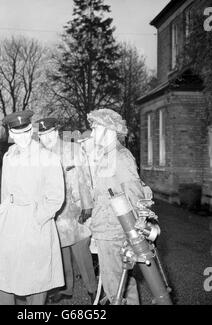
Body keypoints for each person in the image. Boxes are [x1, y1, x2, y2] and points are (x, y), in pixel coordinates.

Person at [0, 110, 65, 305]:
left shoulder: (47, 157)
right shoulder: (9, 156)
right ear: (11, 134)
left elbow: (56, 197)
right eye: (17, 134)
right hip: (10, 220)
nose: (22, 138)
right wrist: (2, 214)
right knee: (1, 274)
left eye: (26, 132)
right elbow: (6, 191)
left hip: (36, 222)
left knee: (35, 280)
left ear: (31, 130)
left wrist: (38, 218)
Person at [85, 108, 152, 305]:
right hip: (105, 228)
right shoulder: (107, 155)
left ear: (110, 130)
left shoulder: (121, 157)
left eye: (96, 127)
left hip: (115, 231)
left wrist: (135, 233)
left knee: (114, 286)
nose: (93, 132)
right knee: (124, 282)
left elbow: (135, 195)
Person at [37, 118, 97, 303]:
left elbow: (85, 178)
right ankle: (66, 288)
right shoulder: (38, 155)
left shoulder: (74, 150)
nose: (46, 139)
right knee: (60, 252)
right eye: (41, 136)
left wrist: (88, 206)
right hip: (53, 212)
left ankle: (93, 288)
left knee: (82, 252)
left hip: (75, 209)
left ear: (56, 132)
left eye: (48, 134)